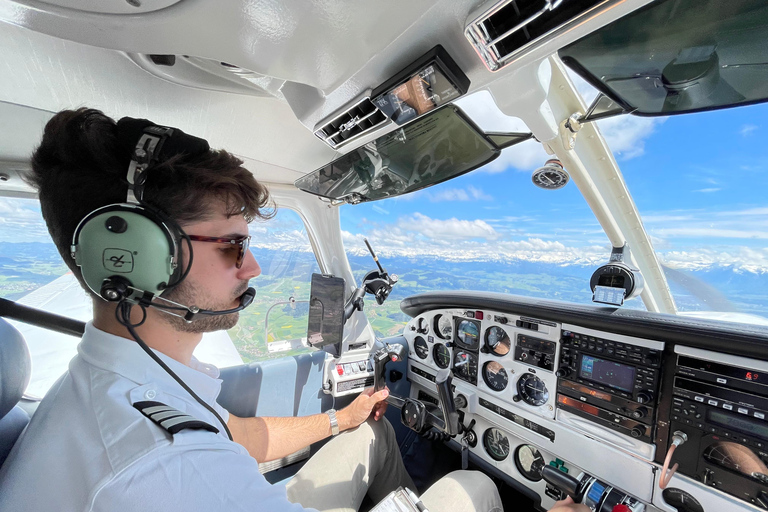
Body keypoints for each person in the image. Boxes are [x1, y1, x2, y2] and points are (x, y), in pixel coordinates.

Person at [0, 108, 588, 512]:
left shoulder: (123, 382)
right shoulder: (169, 471)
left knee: (372, 440)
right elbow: (206, 460)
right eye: (231, 244)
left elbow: (237, 437)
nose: (251, 267)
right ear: (133, 259)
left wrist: (342, 419)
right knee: (471, 486)